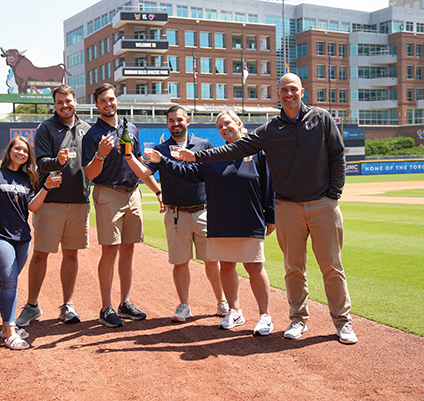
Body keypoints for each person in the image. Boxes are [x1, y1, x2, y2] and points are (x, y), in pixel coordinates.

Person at [176, 73, 357, 344]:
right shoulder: (272, 128)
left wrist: (333, 195)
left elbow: (337, 155)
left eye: (293, 89)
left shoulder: (321, 118)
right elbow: (235, 149)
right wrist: (198, 156)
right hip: (288, 207)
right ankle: (298, 319)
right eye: (283, 90)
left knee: (331, 266)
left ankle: (343, 323)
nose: (288, 94)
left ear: (302, 91)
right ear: (278, 95)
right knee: (293, 267)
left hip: (322, 204)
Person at [145, 110, 276, 335]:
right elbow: (185, 174)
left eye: (227, 124)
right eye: (220, 127)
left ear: (238, 123)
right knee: (226, 266)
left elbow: (268, 184)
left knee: (254, 266)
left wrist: (270, 215)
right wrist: (161, 160)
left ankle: (265, 316)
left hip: (249, 218)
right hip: (221, 219)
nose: (224, 129)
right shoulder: (214, 155)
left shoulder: (257, 152)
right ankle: (234, 311)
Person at [123, 105, 228, 323]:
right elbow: (144, 172)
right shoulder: (161, 149)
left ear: (187, 121)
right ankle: (184, 305)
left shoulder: (203, 145)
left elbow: (209, 176)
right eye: (171, 120)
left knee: (212, 261)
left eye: (179, 119)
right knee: (180, 263)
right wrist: (128, 156)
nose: (175, 123)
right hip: (176, 214)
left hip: (203, 212)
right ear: (167, 123)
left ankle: (221, 301)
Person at [82, 83, 164, 328]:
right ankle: (105, 307)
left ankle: (124, 302)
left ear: (117, 100)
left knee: (129, 250)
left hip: (133, 193)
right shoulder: (93, 135)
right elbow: (90, 174)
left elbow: (139, 164)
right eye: (103, 101)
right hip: (108, 193)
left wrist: (158, 190)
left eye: (111, 99)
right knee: (110, 251)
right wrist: (100, 154)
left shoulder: (130, 128)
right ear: (97, 105)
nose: (108, 104)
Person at [0, 136, 61, 350]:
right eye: (17, 148)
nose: (21, 153)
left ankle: (5, 327)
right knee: (10, 281)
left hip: (21, 238)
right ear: (9, 150)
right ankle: (10, 331)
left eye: (25, 151)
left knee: (9, 281)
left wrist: (45, 188)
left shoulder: (26, 178)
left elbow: (32, 207)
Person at [15, 85, 91, 327]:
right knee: (40, 254)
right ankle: (32, 305)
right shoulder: (46, 128)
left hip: (79, 201)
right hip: (51, 201)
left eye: (67, 101)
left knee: (71, 254)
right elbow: (41, 164)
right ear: (54, 104)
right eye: (59, 102)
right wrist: (56, 160)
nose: (64, 105)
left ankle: (67, 305)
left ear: (75, 101)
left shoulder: (87, 129)